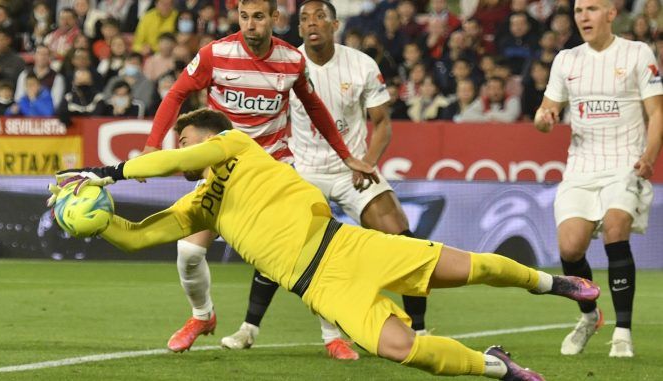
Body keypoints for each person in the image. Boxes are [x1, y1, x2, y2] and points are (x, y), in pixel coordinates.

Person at [50, 107, 601, 381]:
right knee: (400, 350)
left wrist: (108, 171)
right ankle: (500, 368)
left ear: (211, 136)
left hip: (347, 245)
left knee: (471, 268)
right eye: (183, 145)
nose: (184, 151)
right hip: (322, 286)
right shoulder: (202, 206)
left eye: (188, 139)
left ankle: (557, 284)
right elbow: (138, 235)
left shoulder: (237, 145)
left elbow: (173, 160)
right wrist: (94, 221)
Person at [140, 0, 376, 357]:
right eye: (245, 17)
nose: (251, 24)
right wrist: (152, 144)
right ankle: (202, 316)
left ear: (275, 19)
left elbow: (315, 109)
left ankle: (333, 336)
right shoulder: (215, 54)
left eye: (259, 17)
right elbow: (176, 94)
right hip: (224, 172)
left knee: (310, 252)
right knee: (188, 251)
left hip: (272, 173)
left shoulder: (291, 61)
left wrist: (347, 156)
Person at [220, 0, 427, 360]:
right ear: (298, 28)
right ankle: (249, 328)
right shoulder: (284, 64)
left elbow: (382, 123)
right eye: (304, 18)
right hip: (303, 171)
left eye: (320, 17)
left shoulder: (361, 64)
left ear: (335, 26)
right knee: (277, 246)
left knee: (400, 234)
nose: (312, 23)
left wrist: (367, 163)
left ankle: (420, 328)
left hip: (351, 171)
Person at [533, 0, 663, 358]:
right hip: (581, 166)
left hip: (625, 162)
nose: (583, 17)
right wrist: (544, 119)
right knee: (570, 248)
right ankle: (590, 317)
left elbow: (656, 112)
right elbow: (547, 111)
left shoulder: (637, 53)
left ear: (610, 14)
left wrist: (649, 156)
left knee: (615, 226)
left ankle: (623, 332)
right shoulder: (567, 60)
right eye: (578, 11)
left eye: (591, 9)